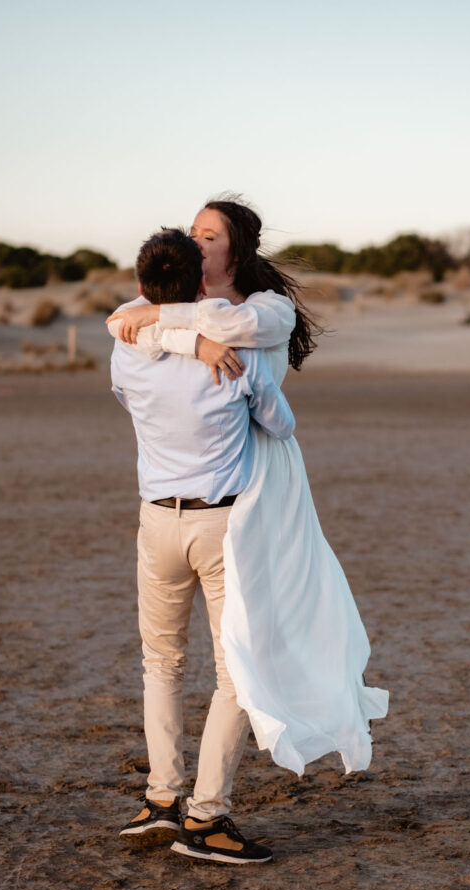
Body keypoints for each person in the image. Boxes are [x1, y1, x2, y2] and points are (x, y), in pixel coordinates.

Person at [110, 198, 389, 787]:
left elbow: (164, 327)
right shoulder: (153, 317)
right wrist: (195, 344)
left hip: (251, 492)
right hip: (223, 496)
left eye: (210, 235)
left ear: (236, 251)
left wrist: (180, 329)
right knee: (219, 663)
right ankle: (202, 807)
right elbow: (121, 321)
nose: (198, 240)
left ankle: (170, 795)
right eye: (193, 233)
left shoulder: (266, 310)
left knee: (212, 655)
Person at [110, 227, 296, 864]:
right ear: (197, 289)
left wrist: (173, 338)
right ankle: (207, 818)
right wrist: (218, 356)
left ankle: (161, 799)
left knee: (160, 663)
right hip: (219, 528)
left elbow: (132, 363)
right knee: (234, 672)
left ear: (142, 290)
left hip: (156, 521)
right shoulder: (228, 359)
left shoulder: (126, 353)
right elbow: (281, 423)